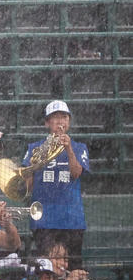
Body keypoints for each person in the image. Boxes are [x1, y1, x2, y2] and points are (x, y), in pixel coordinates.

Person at [24, 99, 89, 262]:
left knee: (73, 268)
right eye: (55, 117)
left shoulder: (79, 147)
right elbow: (27, 187)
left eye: (64, 117)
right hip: (44, 219)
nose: (60, 121)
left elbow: (76, 173)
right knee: (47, 269)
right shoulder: (34, 148)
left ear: (69, 121)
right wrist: (32, 168)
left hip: (72, 220)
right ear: (47, 123)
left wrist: (68, 148)